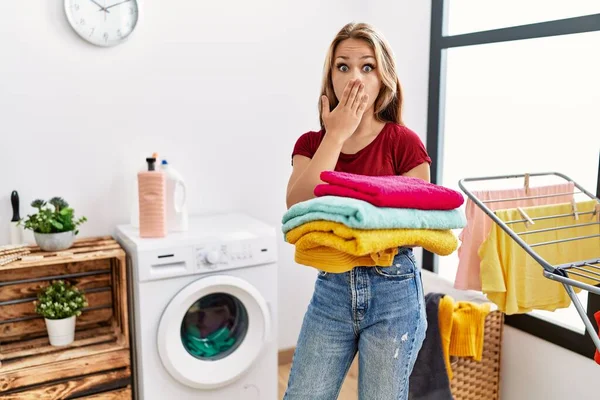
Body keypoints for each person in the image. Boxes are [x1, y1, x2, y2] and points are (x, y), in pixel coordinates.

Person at [283, 22, 432, 400]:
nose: (355, 78)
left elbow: (420, 223)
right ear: (329, 77)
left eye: (367, 67)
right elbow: (298, 207)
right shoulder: (312, 143)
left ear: (385, 78)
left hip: (394, 289)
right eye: (343, 66)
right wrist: (336, 134)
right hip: (332, 289)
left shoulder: (404, 143)